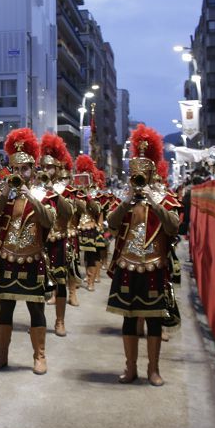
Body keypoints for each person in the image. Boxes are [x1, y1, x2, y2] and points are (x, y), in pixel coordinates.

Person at [106, 125, 182, 387]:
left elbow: (174, 226)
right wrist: (128, 200)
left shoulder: (165, 197)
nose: (138, 177)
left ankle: (154, 369)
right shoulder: (125, 198)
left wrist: (154, 201)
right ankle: (130, 368)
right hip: (128, 264)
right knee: (128, 319)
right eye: (134, 173)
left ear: (151, 173)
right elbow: (111, 224)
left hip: (154, 265)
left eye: (142, 173)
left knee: (153, 320)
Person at [0, 128, 56, 375]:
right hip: (7, 259)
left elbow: (49, 222)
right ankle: (2, 354)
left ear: (33, 171)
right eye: (15, 169)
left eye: (24, 169)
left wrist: (32, 198)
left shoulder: (43, 194)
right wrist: (5, 194)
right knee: (5, 309)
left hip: (33, 259)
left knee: (36, 309)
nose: (20, 174)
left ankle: (40, 356)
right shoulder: (4, 194)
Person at [38, 134, 76, 337]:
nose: (46, 171)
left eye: (50, 168)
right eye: (43, 167)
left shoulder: (65, 188)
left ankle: (60, 321)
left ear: (58, 168)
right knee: (38, 282)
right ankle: (40, 321)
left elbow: (69, 212)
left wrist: (54, 192)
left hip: (59, 239)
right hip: (39, 240)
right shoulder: (36, 188)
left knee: (60, 281)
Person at [74, 155, 103, 291]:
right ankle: (78, 279)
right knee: (80, 257)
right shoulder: (75, 191)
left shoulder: (94, 192)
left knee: (91, 255)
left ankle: (91, 281)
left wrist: (88, 197)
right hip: (77, 226)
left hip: (90, 226)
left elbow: (97, 209)